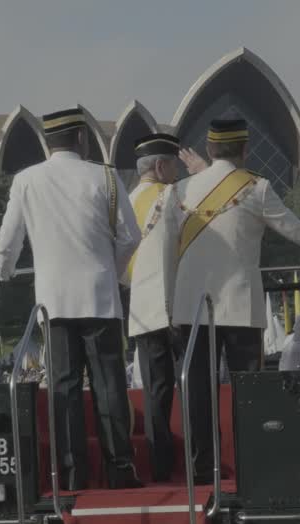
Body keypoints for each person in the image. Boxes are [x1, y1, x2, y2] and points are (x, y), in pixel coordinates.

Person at [169, 116, 300, 483]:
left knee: (198, 390)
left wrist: (169, 301)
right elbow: (295, 230)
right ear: (245, 150)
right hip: (239, 307)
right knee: (247, 393)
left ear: (209, 149)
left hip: (190, 307)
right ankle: (251, 464)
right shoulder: (255, 188)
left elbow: (168, 252)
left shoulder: (180, 190)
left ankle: (201, 469)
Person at [0, 107, 142, 490]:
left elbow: (8, 243)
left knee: (64, 389)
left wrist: (2, 274)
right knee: (109, 386)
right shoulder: (105, 177)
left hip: (53, 303)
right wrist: (110, 269)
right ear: (82, 139)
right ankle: (120, 469)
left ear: (48, 142)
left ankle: (72, 475)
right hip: (100, 298)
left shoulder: (26, 180)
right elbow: (130, 237)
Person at [124, 132, 183, 482]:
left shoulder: (125, 202)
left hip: (141, 310)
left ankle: (160, 464)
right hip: (178, 304)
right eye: (173, 165)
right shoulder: (173, 195)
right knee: (193, 385)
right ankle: (195, 461)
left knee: (155, 392)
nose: (174, 172)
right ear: (161, 166)